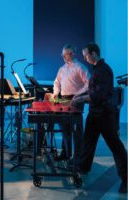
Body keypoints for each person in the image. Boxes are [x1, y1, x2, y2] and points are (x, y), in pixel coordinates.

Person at [73, 43, 127, 193]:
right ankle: (82, 169)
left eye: (86, 55)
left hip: (104, 115)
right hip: (94, 114)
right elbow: (93, 91)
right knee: (88, 142)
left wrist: (80, 99)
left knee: (115, 146)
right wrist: (80, 96)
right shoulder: (97, 69)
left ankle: (126, 179)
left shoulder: (104, 70)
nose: (84, 58)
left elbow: (98, 95)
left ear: (94, 54)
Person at [52, 44, 90, 161]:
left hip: (76, 100)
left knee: (76, 130)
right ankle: (65, 154)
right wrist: (55, 93)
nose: (63, 56)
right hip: (63, 99)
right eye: (62, 54)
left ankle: (78, 157)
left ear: (73, 54)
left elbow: (89, 83)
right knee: (65, 128)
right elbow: (57, 82)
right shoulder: (62, 69)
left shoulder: (80, 67)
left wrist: (78, 94)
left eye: (65, 54)